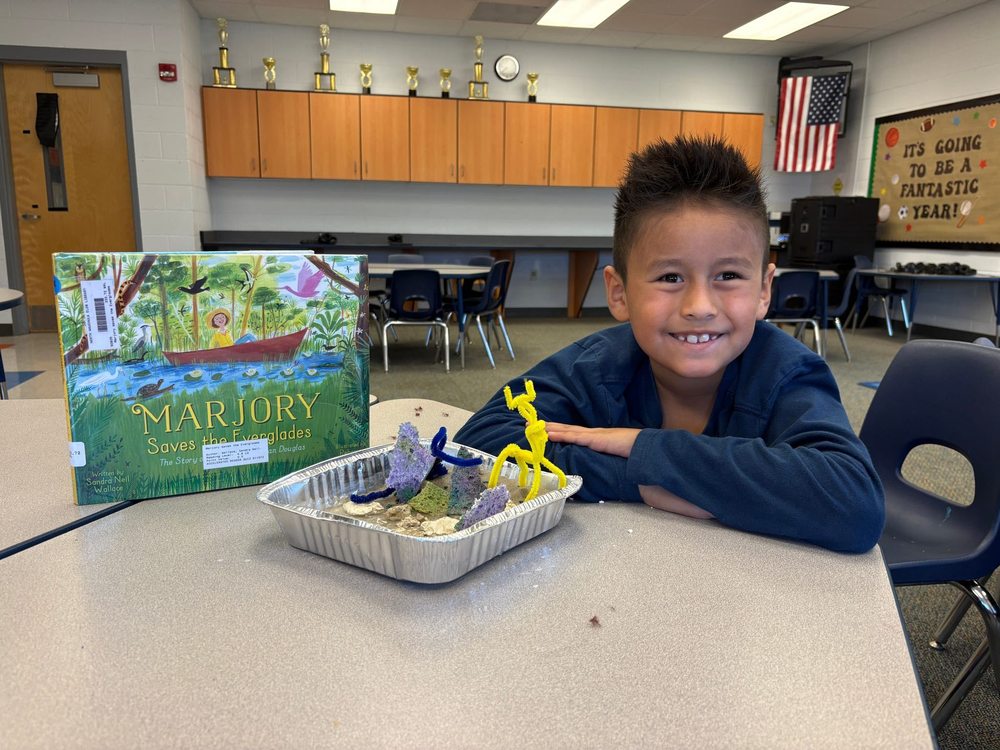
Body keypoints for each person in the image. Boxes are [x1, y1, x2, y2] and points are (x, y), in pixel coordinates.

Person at [454, 135, 884, 554]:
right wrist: (639, 480)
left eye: (729, 276)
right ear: (620, 293)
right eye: (670, 278)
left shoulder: (787, 373)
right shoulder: (596, 365)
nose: (699, 306)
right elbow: (475, 446)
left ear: (764, 290)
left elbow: (854, 504)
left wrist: (647, 448)